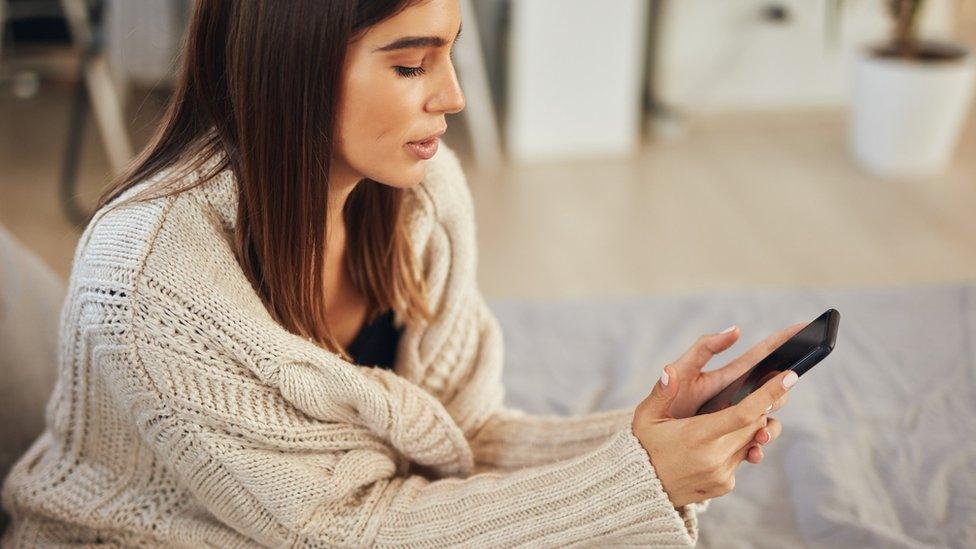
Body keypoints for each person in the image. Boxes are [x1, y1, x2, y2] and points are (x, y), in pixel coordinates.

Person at [0, 0, 803, 546]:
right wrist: (632, 483)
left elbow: (465, 438)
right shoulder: (150, 280)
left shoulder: (423, 196)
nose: (450, 96)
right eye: (413, 66)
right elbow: (341, 530)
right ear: (295, 64)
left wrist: (640, 438)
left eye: (450, 53)